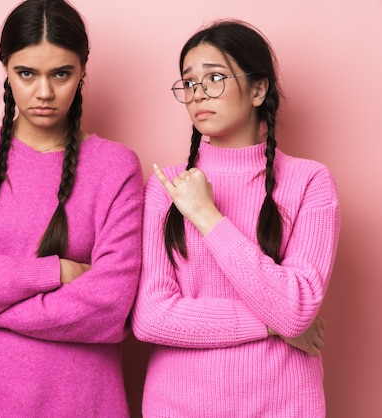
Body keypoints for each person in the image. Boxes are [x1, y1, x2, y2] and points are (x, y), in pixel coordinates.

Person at [0, 0, 143, 416]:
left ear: (82, 70)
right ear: (5, 67)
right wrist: (54, 271)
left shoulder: (116, 167)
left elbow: (109, 307)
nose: (44, 92)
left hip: (77, 402)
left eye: (61, 73)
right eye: (27, 73)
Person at [131, 19, 340, 417]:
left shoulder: (310, 182)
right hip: (179, 405)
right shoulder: (165, 186)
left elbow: (295, 308)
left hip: (284, 403)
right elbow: (152, 318)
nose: (198, 94)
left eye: (214, 78)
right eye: (189, 83)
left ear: (259, 89)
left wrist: (207, 215)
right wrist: (273, 326)